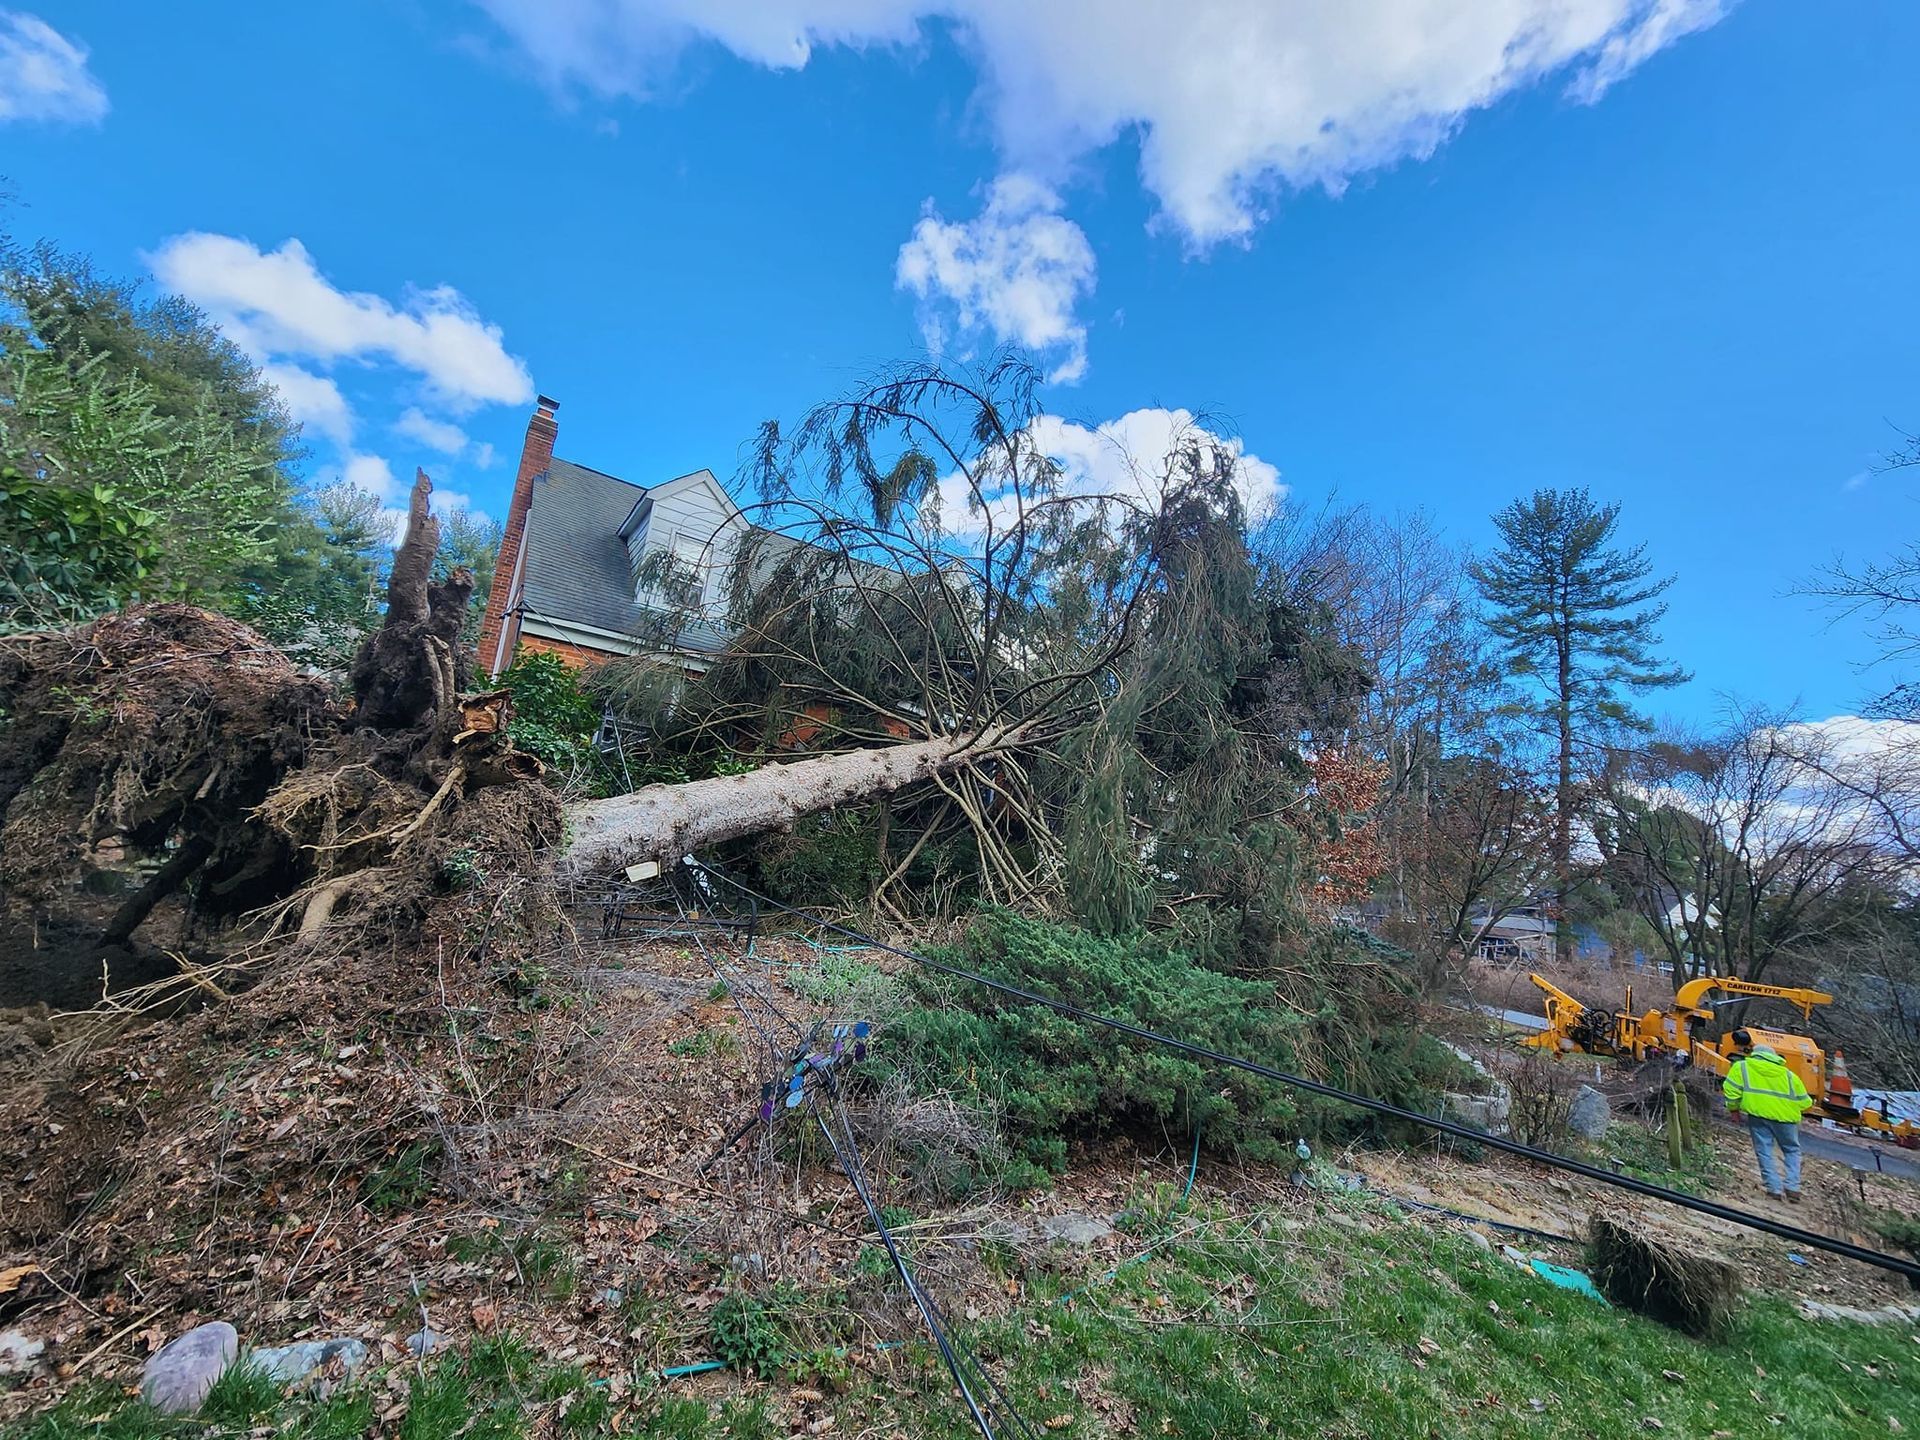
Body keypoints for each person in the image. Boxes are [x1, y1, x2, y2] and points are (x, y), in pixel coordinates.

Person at [1722, 1028, 1813, 1202]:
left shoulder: (1742, 1067)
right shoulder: (1789, 1075)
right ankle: (1793, 1187)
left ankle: (1774, 1188)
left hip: (1758, 1117)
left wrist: (1734, 1111)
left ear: (1754, 1054)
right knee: (1792, 1150)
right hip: (1786, 1119)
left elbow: (1731, 1091)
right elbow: (1805, 1103)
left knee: (1764, 1151)